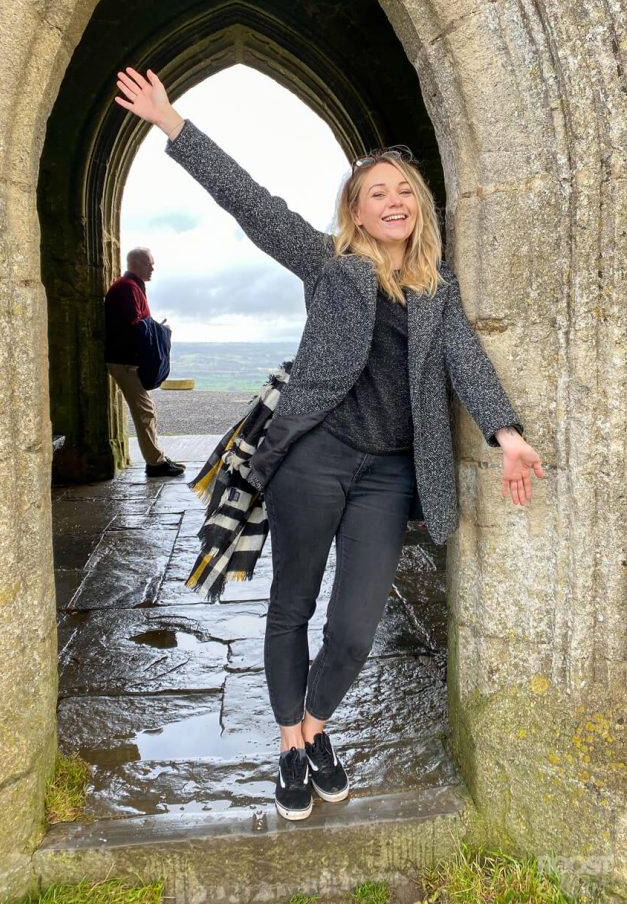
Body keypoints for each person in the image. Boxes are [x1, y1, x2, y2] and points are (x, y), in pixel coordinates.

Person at [114, 66, 545, 821]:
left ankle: (314, 727)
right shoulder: (329, 267)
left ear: (420, 207)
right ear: (354, 209)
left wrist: (506, 434)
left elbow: (464, 360)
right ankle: (291, 745)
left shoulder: (436, 292)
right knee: (292, 605)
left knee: (354, 626)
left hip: (384, 474)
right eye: (375, 192)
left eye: (403, 190)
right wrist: (173, 125)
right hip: (313, 456)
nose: (392, 201)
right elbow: (252, 203)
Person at [104, 246, 185, 478]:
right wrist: (161, 329)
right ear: (136, 264)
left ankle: (156, 458)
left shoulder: (129, 287)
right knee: (145, 411)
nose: (153, 267)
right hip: (125, 363)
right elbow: (135, 327)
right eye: (149, 263)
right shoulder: (127, 289)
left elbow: (138, 324)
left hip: (126, 361)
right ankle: (155, 464)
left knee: (146, 410)